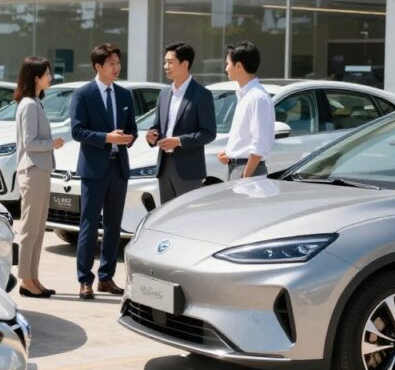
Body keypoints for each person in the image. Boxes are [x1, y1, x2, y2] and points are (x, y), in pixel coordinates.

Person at [70, 43, 138, 300]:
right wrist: (107, 138)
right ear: (98, 66)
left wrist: (128, 138)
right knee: (88, 225)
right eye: (111, 64)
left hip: (118, 168)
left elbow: (132, 128)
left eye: (118, 63)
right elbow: (77, 131)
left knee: (113, 227)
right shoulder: (83, 94)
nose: (117, 68)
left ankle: (106, 278)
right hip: (93, 170)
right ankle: (84, 280)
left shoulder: (124, 95)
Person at [13, 56, 65, 298]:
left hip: (39, 171)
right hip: (33, 171)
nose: (50, 77)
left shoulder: (35, 102)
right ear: (36, 77)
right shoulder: (29, 105)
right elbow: (31, 143)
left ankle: (32, 277)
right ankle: (25, 279)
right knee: (30, 230)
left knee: (38, 229)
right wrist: (52, 144)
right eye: (47, 73)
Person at [146, 42, 216, 203]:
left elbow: (208, 133)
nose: (166, 66)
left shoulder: (201, 94)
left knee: (187, 219)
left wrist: (178, 141)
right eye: (165, 62)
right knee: (165, 217)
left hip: (188, 170)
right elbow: (157, 126)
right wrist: (152, 135)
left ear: (185, 64)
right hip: (164, 167)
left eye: (170, 62)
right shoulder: (163, 94)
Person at [218, 41, 274, 180]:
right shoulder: (245, 95)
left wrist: (245, 178)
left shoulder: (257, 98)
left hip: (248, 172)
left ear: (238, 66)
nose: (226, 69)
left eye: (227, 64)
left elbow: (259, 145)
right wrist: (231, 153)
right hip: (237, 169)